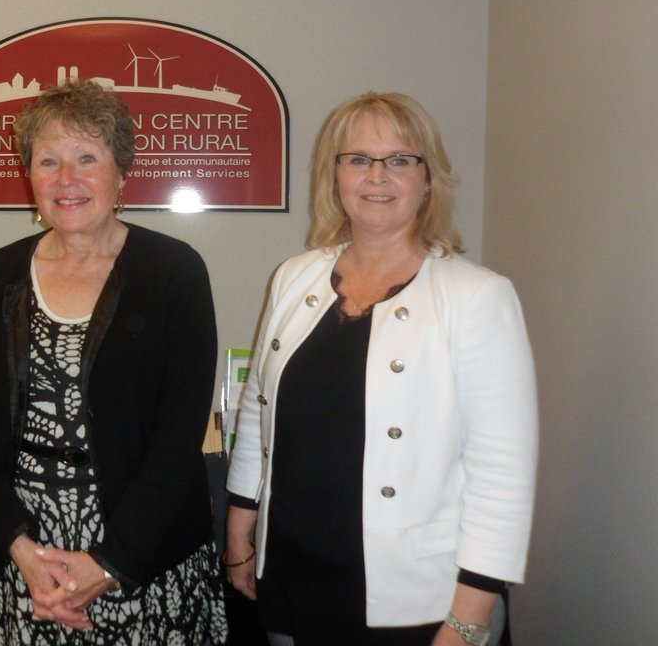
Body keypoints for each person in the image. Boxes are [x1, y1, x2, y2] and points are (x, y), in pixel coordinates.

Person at [224, 92, 538, 646]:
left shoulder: (477, 297)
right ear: (335, 175)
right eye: (358, 159)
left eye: (399, 159)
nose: (378, 176)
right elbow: (258, 411)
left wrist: (468, 620)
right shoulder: (294, 277)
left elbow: (503, 476)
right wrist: (240, 533)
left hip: (417, 598)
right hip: (293, 574)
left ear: (428, 179)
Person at [0, 80, 228, 644]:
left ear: (122, 172)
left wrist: (111, 562)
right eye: (48, 161)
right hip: (16, 557)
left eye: (86, 158)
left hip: (141, 559)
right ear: (30, 177)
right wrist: (19, 546)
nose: (65, 178)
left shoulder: (175, 272)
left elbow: (179, 432)